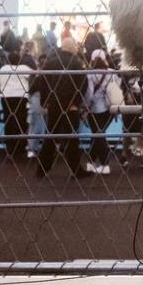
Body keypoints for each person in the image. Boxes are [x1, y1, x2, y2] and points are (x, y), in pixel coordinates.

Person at [34, 36, 88, 178]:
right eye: (75, 46)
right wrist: (76, 102)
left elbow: (42, 82)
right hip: (70, 106)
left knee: (50, 137)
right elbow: (83, 85)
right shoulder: (77, 64)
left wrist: (45, 102)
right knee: (72, 139)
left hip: (54, 105)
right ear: (71, 48)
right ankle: (76, 170)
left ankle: (42, 169)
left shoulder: (50, 63)